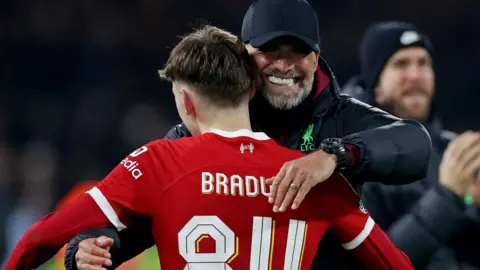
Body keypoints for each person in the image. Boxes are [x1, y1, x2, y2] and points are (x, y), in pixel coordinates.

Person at [4, 25, 413, 270]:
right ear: (252, 89)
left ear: (185, 102)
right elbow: (396, 265)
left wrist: (81, 252)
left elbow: (39, 238)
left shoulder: (157, 162)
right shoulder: (311, 177)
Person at [342, 21, 480, 269]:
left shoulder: (451, 150)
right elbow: (370, 261)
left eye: (423, 63)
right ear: (376, 84)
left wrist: (475, 205)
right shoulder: (350, 159)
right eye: (401, 64)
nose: (415, 75)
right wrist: (447, 198)